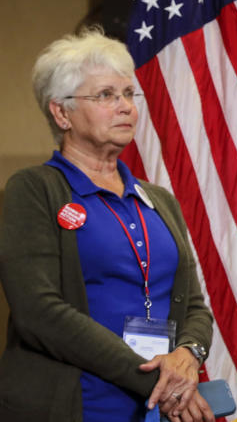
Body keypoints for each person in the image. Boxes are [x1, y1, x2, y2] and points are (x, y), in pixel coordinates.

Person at [0, 28, 214, 422]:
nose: (126, 107)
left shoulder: (159, 199)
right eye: (105, 96)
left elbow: (196, 306)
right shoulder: (34, 189)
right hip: (78, 406)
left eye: (129, 94)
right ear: (61, 112)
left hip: (159, 407)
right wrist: (155, 380)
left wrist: (188, 355)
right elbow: (39, 313)